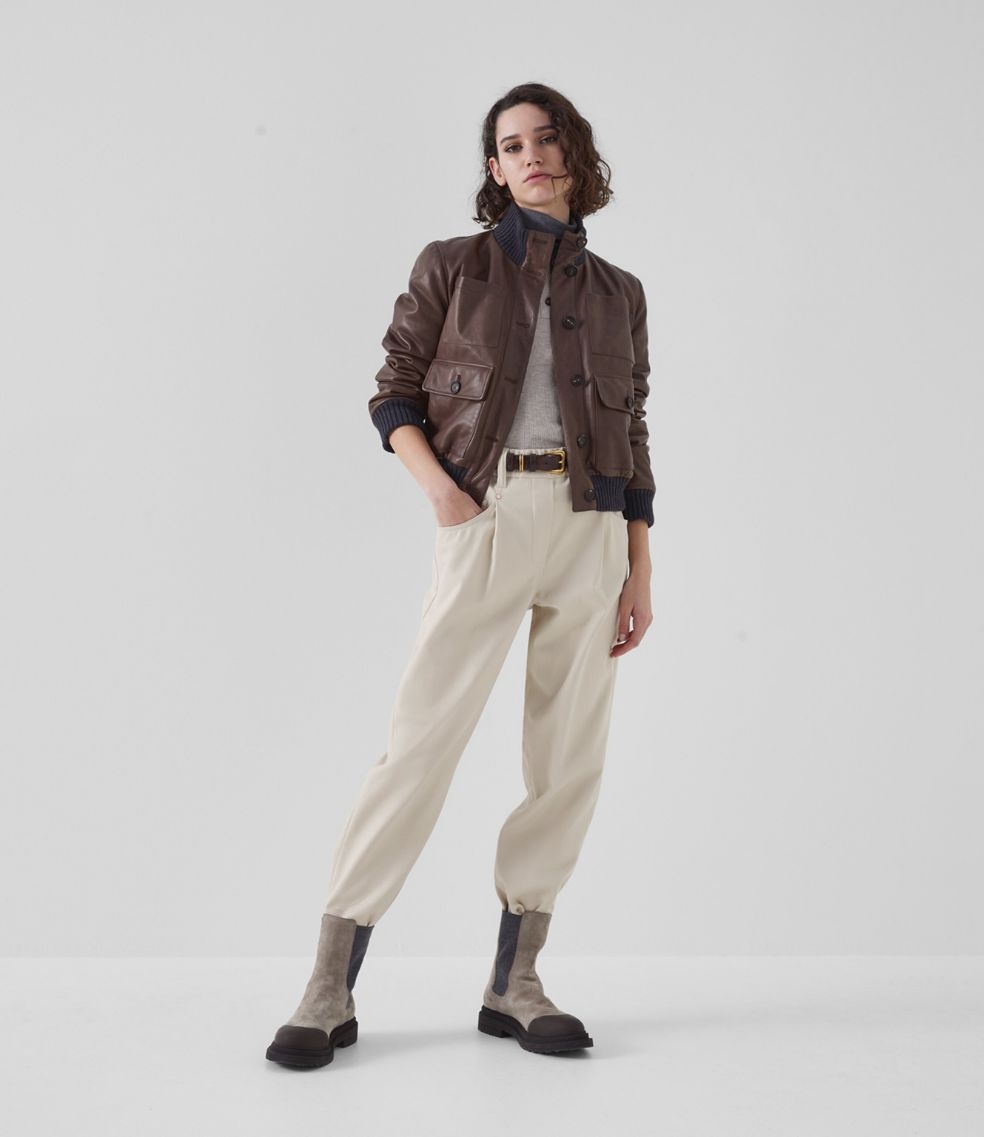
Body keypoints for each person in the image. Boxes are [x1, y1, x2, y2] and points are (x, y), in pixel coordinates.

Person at [266, 81, 655, 1068]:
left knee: (568, 758)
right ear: (494, 169)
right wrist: (444, 494)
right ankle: (328, 986)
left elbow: (636, 430)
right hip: (486, 514)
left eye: (545, 138)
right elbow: (393, 390)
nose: (530, 155)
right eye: (510, 145)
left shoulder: (619, 293)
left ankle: (515, 982)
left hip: (592, 528)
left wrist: (637, 562)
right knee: (420, 744)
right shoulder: (454, 265)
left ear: (574, 151)